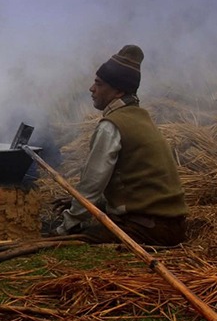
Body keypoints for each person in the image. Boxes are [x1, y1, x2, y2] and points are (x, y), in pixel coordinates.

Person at [53, 45, 188, 246]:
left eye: (98, 84)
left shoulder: (111, 126)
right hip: (171, 226)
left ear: (118, 91)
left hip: (148, 229)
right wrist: (95, 205)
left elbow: (92, 185)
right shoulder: (141, 118)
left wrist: (65, 227)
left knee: (78, 240)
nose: (92, 89)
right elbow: (132, 183)